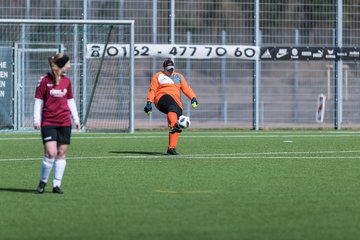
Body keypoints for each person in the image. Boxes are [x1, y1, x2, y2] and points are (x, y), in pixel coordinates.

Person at [34, 53, 80, 194]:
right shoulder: (44, 80)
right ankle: (43, 182)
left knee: (61, 153)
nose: (70, 65)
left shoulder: (67, 81)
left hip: (64, 122)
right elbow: (38, 100)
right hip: (48, 122)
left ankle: (56, 185)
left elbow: (70, 101)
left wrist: (76, 119)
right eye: (68, 63)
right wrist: (37, 119)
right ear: (62, 65)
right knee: (50, 152)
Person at [144, 58, 198, 155]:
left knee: (177, 121)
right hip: (161, 98)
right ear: (164, 68)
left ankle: (171, 148)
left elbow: (186, 89)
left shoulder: (179, 76)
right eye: (168, 69)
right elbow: (152, 90)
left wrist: (193, 98)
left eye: (172, 68)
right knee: (172, 109)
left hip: (176, 102)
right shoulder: (158, 76)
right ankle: (174, 126)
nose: (170, 70)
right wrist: (149, 103)